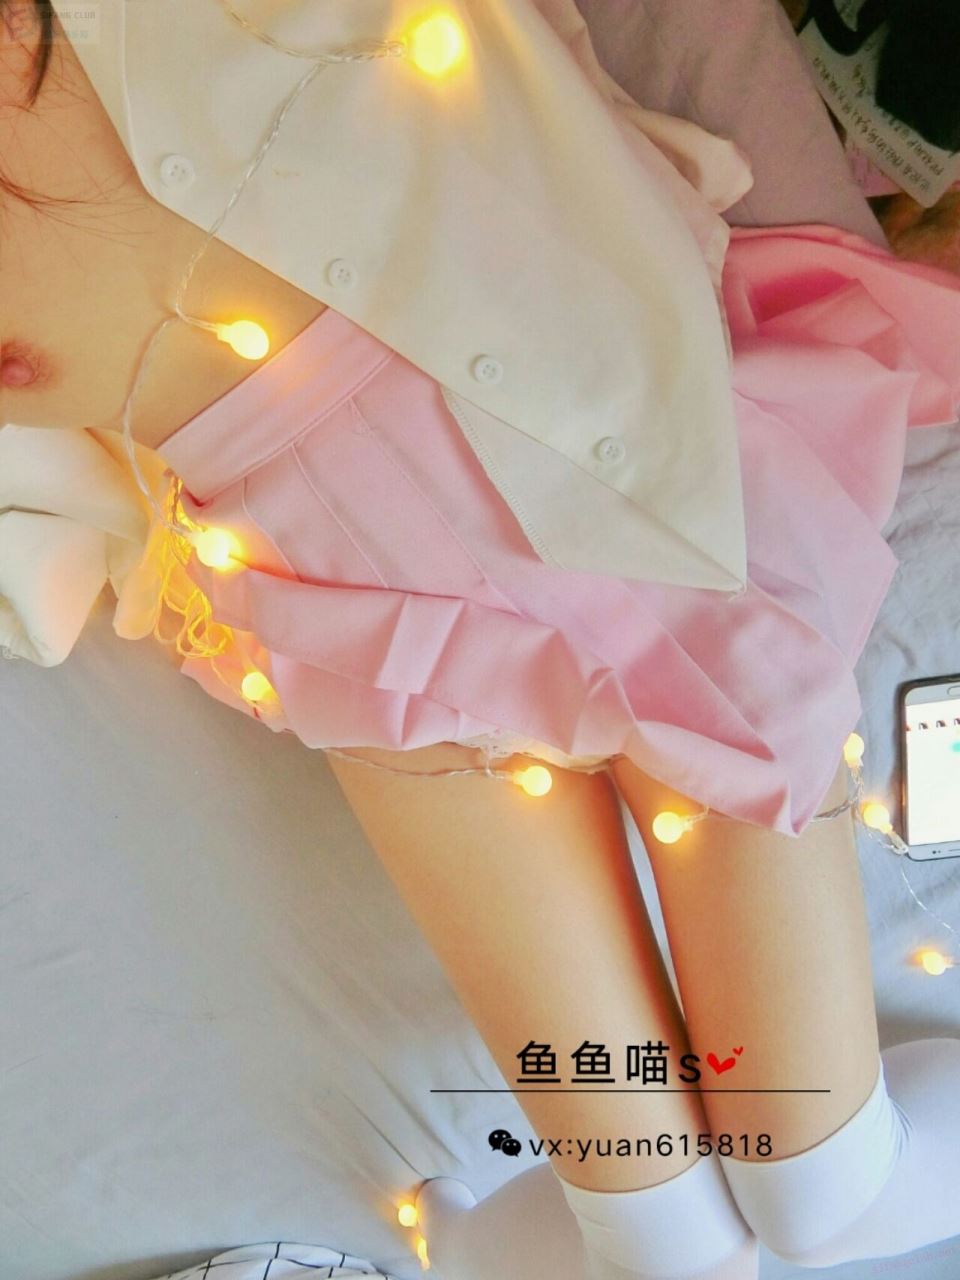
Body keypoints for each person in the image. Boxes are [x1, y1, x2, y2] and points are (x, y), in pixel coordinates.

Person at [5, 3, 960, 1278]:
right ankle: (668, 1212)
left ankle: (742, 1194)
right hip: (364, 581)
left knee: (804, 1170)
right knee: (671, 1210)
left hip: (599, 454)